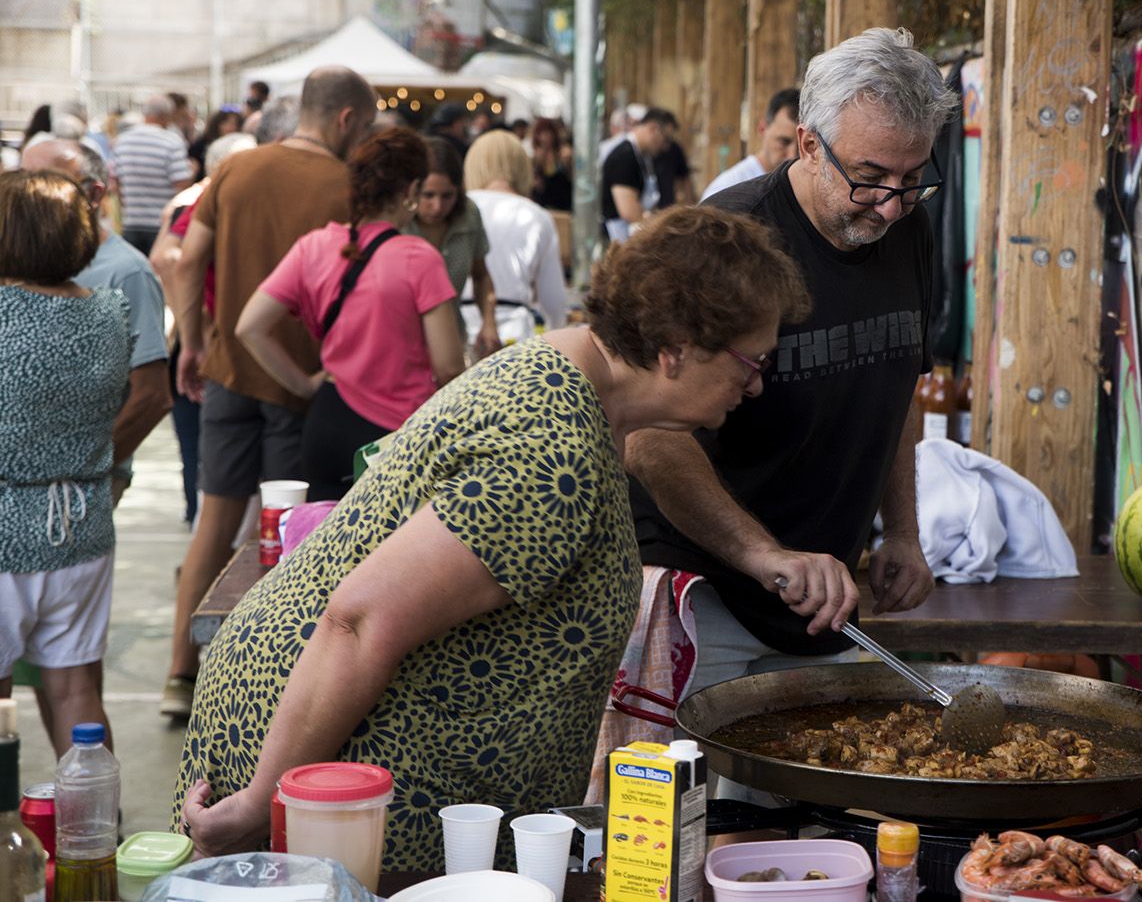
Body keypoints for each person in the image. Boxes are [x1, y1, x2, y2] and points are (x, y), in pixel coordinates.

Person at [174, 206, 812, 872]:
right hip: (324, 765)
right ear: (674, 347)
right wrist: (261, 803)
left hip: (330, 745)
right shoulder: (551, 455)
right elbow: (360, 621)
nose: (757, 383)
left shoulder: (578, 372)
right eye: (751, 360)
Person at [628, 27, 955, 701]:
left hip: (820, 602)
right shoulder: (730, 241)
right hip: (702, 590)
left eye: (911, 180)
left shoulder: (908, 231)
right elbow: (649, 437)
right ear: (808, 144)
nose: (891, 205)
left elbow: (898, 390)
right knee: (689, 805)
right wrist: (764, 555)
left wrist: (901, 531)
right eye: (868, 179)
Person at [162, 67, 376, 720]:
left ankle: (179, 672)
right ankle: (266, 682)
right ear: (345, 120)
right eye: (364, 128)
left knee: (215, 522)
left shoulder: (236, 170)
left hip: (228, 370)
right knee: (287, 539)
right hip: (300, 380)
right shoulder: (347, 188)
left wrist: (195, 340)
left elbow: (183, 259)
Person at [237, 128, 464, 501]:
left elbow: (249, 327)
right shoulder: (419, 257)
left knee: (328, 548)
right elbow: (449, 367)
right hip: (394, 438)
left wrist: (303, 384)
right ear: (409, 191)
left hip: (326, 420)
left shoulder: (314, 246)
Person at [0, 169, 132, 756]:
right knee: (76, 688)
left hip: (7, 528)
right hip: (82, 525)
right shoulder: (110, 312)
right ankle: (94, 831)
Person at [21, 139, 171, 510]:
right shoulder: (19, 262)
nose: (27, 196)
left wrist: (89, 470)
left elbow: (152, 395)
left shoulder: (127, 272)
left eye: (45, 182)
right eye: (22, 181)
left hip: (77, 490)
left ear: (94, 193)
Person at [152, 131, 263, 525]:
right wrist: (197, 328)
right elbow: (168, 260)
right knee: (208, 459)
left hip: (215, 344)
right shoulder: (201, 201)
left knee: (210, 458)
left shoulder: (214, 201)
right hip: (210, 346)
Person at [462, 129, 567, 342]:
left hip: (460, 327)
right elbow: (553, 300)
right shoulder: (537, 215)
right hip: (516, 335)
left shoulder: (459, 208)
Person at [404, 136, 500, 358]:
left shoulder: (468, 214)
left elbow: (481, 275)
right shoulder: (398, 222)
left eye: (447, 196)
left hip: (453, 340)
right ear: (411, 189)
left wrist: (488, 321)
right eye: (428, 195)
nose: (437, 206)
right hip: (403, 348)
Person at [112, 94, 193, 254]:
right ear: (166, 116)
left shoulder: (123, 140)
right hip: (162, 225)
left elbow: (117, 183)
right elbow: (182, 185)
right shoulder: (172, 141)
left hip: (131, 222)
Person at [702, 88, 801, 200]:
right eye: (784, 141)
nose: (793, 155)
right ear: (762, 129)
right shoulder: (726, 188)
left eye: (802, 145)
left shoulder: (801, 188)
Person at [599, 107, 677, 243]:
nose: (666, 147)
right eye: (666, 139)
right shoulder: (624, 156)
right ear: (653, 129)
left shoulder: (642, 155)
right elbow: (629, 212)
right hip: (618, 237)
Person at [530, 117, 573, 212]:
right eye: (542, 132)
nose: (545, 136)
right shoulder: (536, 155)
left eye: (548, 132)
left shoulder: (563, 152)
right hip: (542, 201)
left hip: (562, 199)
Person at [188, 107, 243, 180]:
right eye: (226, 122)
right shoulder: (201, 144)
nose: (231, 127)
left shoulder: (240, 144)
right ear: (217, 123)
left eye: (235, 123)